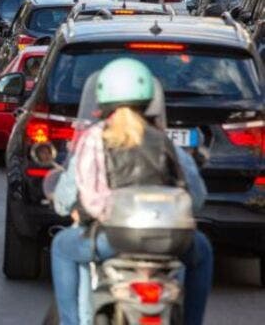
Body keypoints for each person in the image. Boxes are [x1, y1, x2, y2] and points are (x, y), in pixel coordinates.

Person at [48, 58, 213, 325]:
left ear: (102, 96)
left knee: (62, 247)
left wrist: (81, 210)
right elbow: (196, 196)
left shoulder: (95, 137)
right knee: (202, 249)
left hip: (113, 241)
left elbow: (78, 198)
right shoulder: (164, 140)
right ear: (148, 97)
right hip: (168, 243)